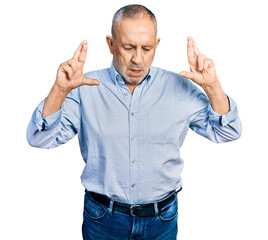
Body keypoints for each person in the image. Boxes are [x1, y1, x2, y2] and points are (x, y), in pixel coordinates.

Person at [26, 4, 242, 240]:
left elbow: (228, 132)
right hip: (102, 220)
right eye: (128, 47)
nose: (137, 59)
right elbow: (40, 138)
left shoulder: (179, 87)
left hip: (162, 220)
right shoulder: (84, 89)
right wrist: (59, 90)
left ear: (156, 46)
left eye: (146, 48)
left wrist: (212, 87)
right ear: (111, 44)